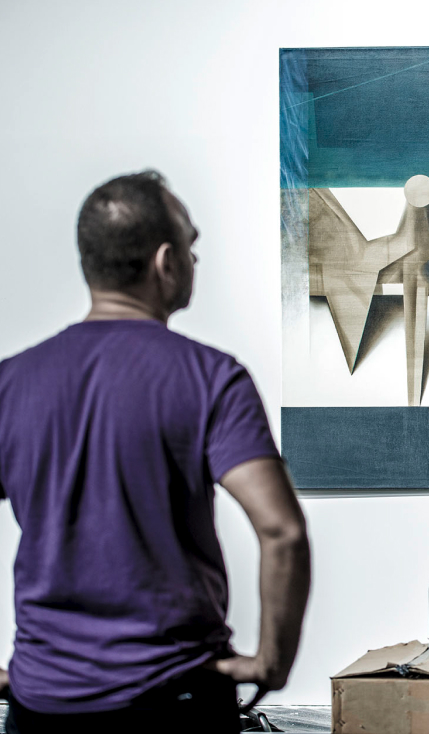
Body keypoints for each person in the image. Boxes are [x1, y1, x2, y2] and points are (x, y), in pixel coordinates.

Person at [0, 171, 311, 733]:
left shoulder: (11, 383)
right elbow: (282, 530)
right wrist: (273, 661)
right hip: (174, 699)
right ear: (166, 262)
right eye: (191, 245)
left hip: (44, 703)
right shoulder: (210, 377)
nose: (195, 259)